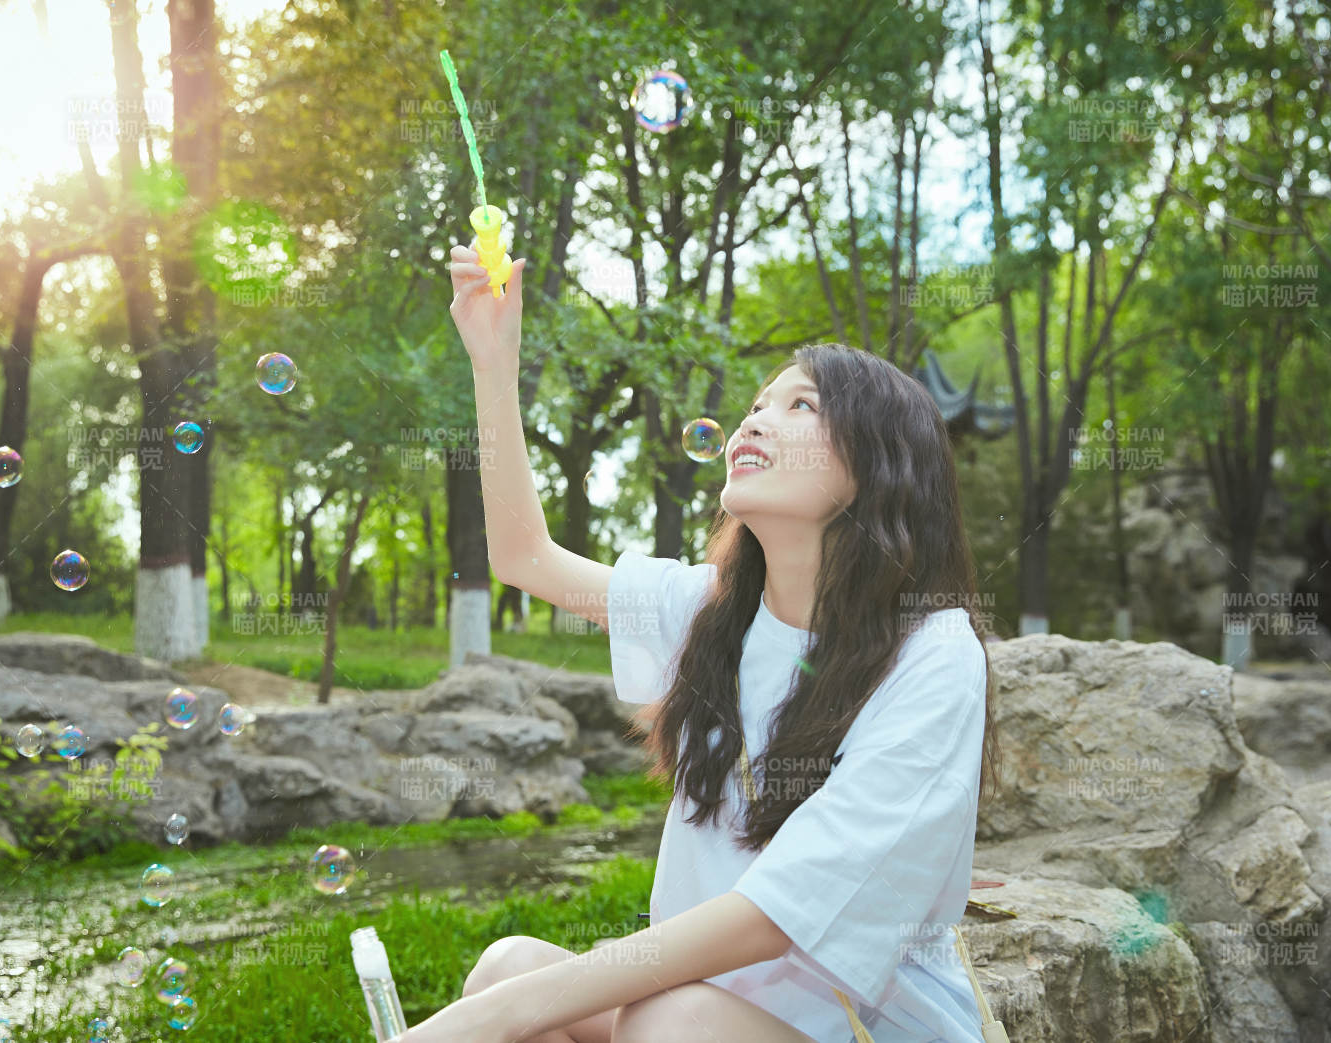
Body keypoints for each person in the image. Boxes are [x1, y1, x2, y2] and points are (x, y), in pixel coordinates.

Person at [394, 241, 1000, 1043]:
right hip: (694, 1016)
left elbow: (775, 914)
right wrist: (493, 362)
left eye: (801, 406)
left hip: (860, 1028)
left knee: (656, 1020)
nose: (756, 416)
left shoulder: (932, 652)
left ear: (878, 468)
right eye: (757, 401)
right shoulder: (709, 611)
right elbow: (522, 556)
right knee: (509, 963)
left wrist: (481, 1023)